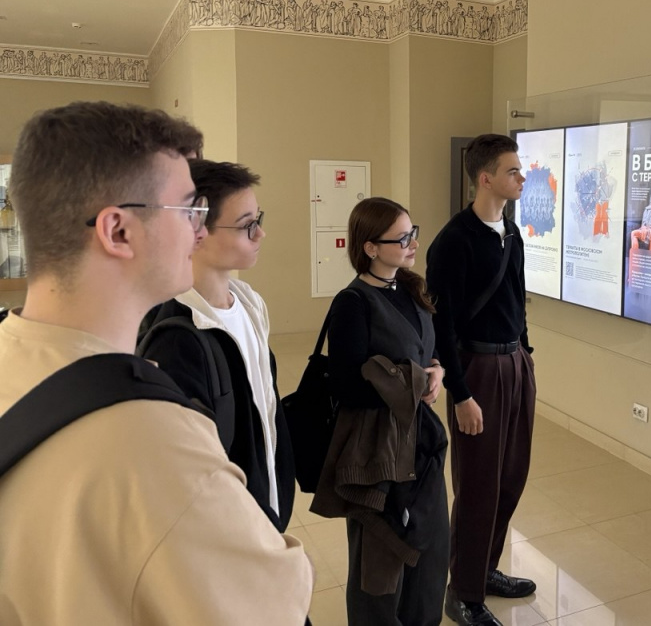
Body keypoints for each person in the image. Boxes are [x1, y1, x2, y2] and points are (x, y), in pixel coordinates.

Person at [0, 102, 313, 625]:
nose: (198, 231)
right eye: (188, 210)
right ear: (118, 231)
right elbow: (275, 602)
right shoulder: (154, 439)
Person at [139, 159, 296, 532]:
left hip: (267, 505)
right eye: (246, 225)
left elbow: (265, 409)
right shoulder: (176, 337)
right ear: (195, 230)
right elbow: (187, 476)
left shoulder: (250, 303)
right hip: (228, 526)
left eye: (259, 220)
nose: (260, 234)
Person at [316, 197, 449, 625]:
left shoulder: (411, 289)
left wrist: (437, 371)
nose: (413, 244)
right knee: (380, 560)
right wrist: (412, 383)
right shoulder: (352, 303)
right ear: (370, 247)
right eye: (402, 238)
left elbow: (426, 352)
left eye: (413, 233)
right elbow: (346, 386)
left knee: (429, 549)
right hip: (377, 449)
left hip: (421, 441)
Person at [427, 134, 538, 626]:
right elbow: (442, 324)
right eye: (513, 170)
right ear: (486, 178)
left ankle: (485, 569)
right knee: (478, 485)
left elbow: (517, 295)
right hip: (478, 369)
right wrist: (461, 394)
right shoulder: (454, 241)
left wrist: (525, 353)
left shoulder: (510, 232)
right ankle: (463, 592)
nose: (522, 177)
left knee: (510, 477)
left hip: (515, 364)